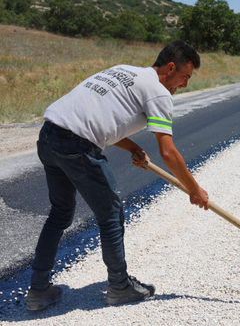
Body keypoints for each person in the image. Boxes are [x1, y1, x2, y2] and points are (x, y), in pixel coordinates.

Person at [26, 40, 210, 311]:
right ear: (171, 68)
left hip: (49, 136)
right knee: (110, 215)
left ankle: (38, 291)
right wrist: (194, 189)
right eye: (185, 77)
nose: (184, 84)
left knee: (61, 213)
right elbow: (168, 153)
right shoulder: (159, 92)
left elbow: (101, 118)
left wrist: (133, 146)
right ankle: (120, 286)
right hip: (77, 145)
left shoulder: (124, 70)